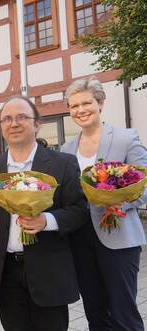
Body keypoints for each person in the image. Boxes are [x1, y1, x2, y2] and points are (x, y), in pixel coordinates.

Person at [0, 96, 90, 331]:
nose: (13, 123)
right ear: (1, 126)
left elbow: (79, 211)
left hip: (49, 269)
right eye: (7, 119)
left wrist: (47, 220)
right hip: (6, 272)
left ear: (37, 124)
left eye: (21, 117)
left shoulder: (63, 164)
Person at [61, 77, 146, 331]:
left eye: (86, 103)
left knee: (123, 313)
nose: (80, 110)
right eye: (74, 106)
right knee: (95, 313)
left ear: (100, 103)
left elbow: (144, 185)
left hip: (118, 235)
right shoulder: (66, 149)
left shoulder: (125, 138)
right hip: (80, 238)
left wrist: (121, 203)